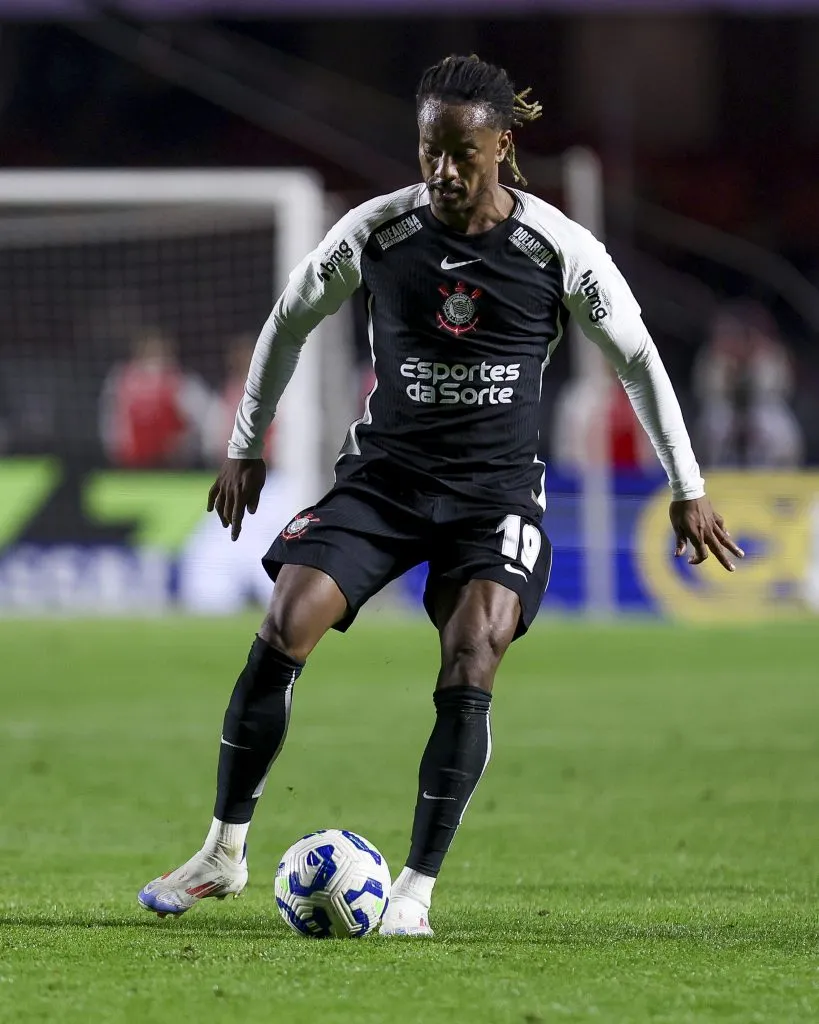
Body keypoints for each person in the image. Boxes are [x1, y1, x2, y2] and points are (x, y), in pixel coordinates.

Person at [138, 55, 743, 935]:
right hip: (386, 479)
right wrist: (243, 446)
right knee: (283, 624)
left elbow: (639, 360)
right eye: (430, 152)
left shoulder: (558, 250)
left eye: (463, 153)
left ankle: (412, 894)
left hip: (494, 494)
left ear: (501, 145)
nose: (445, 172)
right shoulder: (377, 234)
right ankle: (223, 852)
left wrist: (686, 486)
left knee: (472, 652)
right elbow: (287, 322)